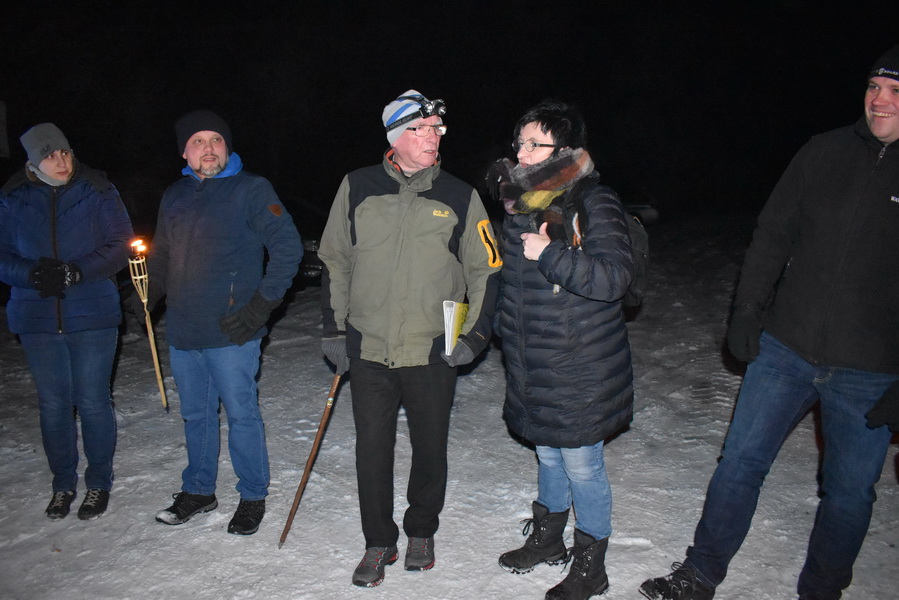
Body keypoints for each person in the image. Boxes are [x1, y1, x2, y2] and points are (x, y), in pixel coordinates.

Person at [639, 45, 899, 600]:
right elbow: (773, 233)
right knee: (739, 463)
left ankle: (822, 591)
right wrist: (747, 310)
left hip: (870, 369)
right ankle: (701, 572)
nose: (880, 100)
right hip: (786, 347)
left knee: (850, 494)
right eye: (875, 86)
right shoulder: (823, 152)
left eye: (895, 91)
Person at [318, 90, 502, 587]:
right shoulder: (356, 186)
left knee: (430, 445)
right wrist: (335, 327)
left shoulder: (460, 195)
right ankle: (378, 541)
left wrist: (475, 335)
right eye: (421, 130)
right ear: (395, 137)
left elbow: (486, 269)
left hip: (431, 346)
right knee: (371, 449)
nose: (433, 138)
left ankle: (422, 528)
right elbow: (335, 258)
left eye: (437, 129)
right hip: (370, 344)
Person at [488, 100, 635, 600]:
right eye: (520, 143)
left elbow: (614, 278)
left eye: (536, 143)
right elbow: (511, 286)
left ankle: (591, 567)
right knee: (548, 456)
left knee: (581, 466)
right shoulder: (520, 205)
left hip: (580, 364)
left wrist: (550, 254)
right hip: (534, 362)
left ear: (566, 150)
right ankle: (548, 540)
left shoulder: (594, 202)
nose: (523, 153)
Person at [145, 110, 302, 536]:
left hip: (234, 329)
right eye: (198, 141)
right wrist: (142, 296)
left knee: (241, 414)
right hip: (183, 328)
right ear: (184, 151)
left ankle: (252, 495)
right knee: (196, 416)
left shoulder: (252, 189)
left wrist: (259, 308)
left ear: (227, 146)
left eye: (215, 139)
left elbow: (288, 249)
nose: (208, 148)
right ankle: (198, 490)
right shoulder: (174, 195)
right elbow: (160, 256)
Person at [0, 123, 134, 520]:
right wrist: (32, 274)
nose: (60, 161)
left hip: (91, 312)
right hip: (37, 317)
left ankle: (98, 483)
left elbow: (119, 245)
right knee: (53, 404)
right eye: (49, 155)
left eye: (64, 152)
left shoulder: (97, 190)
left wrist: (76, 272)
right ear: (33, 161)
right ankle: (62, 484)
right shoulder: (12, 197)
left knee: (92, 401)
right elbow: (2, 254)